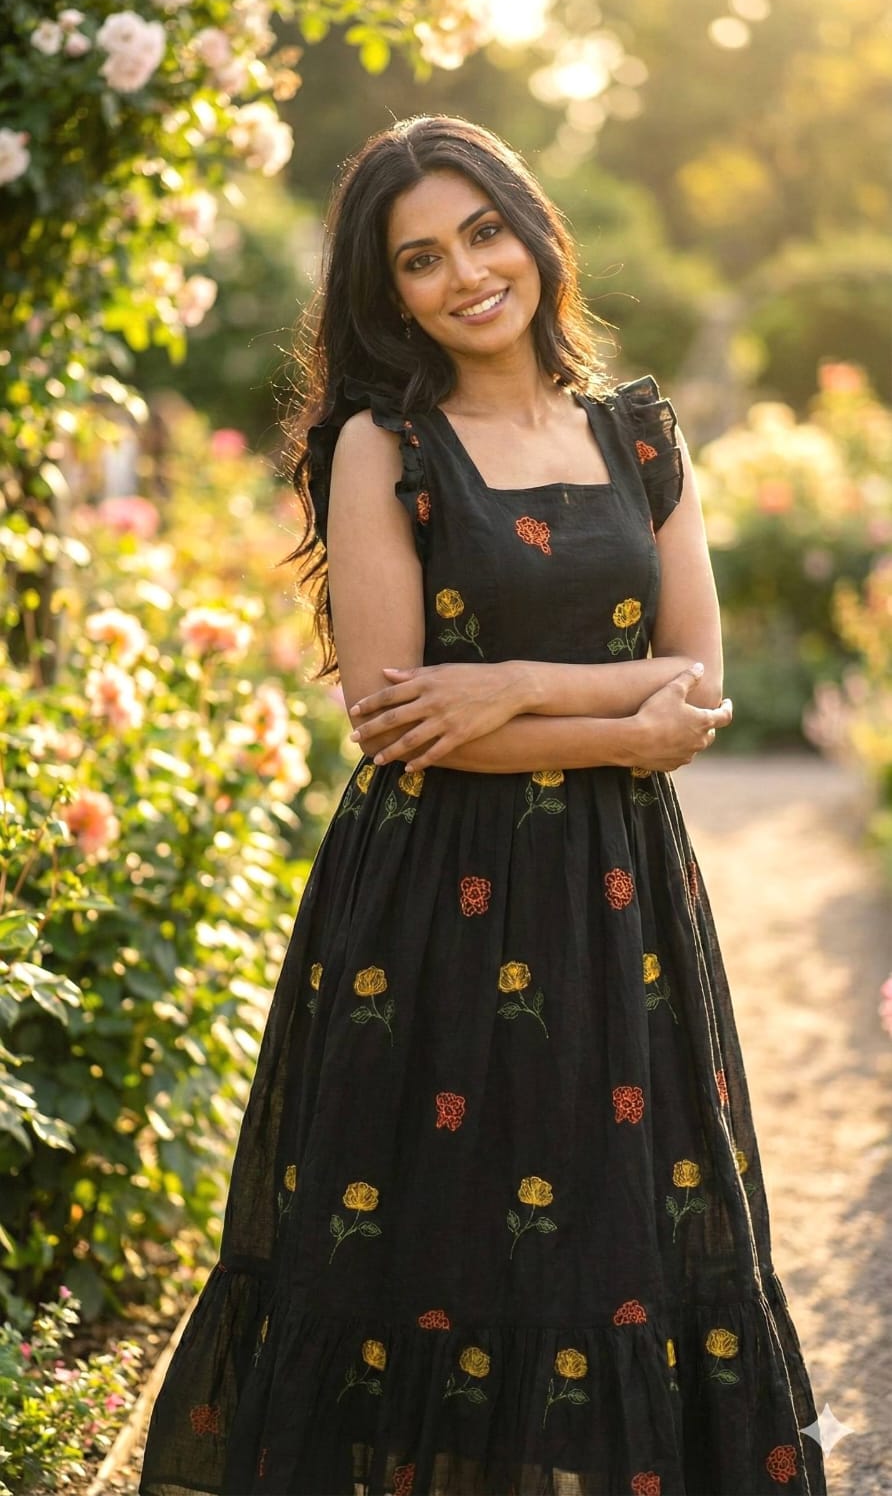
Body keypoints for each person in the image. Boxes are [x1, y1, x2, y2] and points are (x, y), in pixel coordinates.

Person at [139, 115, 827, 1496]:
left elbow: (696, 695)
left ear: (532, 230)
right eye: (420, 259)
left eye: (483, 232)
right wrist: (609, 716)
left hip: (620, 898)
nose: (465, 274)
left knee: (621, 1240)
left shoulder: (641, 437)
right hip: (432, 909)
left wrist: (503, 682)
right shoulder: (381, 449)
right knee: (435, 1246)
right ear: (387, 293)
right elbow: (401, 723)